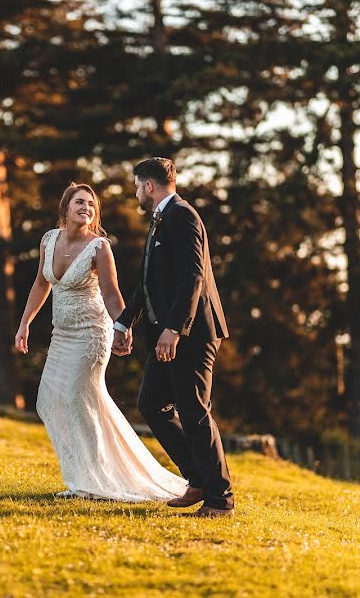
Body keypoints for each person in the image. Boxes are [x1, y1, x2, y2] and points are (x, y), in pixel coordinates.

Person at [15, 182, 187, 501]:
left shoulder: (99, 247)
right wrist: (24, 323)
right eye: (79, 202)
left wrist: (122, 326)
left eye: (91, 205)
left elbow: (110, 291)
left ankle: (94, 483)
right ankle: (80, 477)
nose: (86, 208)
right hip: (61, 334)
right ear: (65, 208)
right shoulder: (48, 240)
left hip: (92, 334)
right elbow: (41, 284)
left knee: (79, 401)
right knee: (47, 399)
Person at [112, 157, 234, 518]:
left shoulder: (183, 215)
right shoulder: (160, 219)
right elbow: (147, 282)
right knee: (152, 403)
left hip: (192, 335)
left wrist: (174, 328)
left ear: (149, 185)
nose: (136, 192)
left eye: (137, 185)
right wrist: (123, 323)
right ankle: (197, 480)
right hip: (168, 334)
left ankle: (219, 499)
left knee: (194, 412)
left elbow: (193, 277)